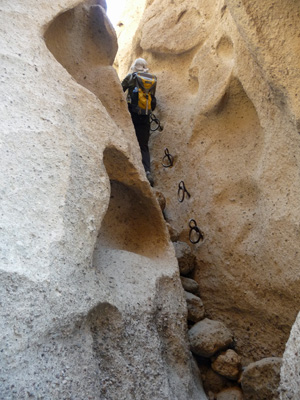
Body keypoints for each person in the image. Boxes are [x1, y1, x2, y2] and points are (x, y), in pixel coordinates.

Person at [121, 58, 156, 186]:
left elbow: (118, 91)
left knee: (130, 141)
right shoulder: (152, 79)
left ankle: (132, 172)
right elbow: (152, 101)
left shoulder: (131, 77)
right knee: (144, 146)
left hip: (133, 115)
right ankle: (147, 171)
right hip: (146, 116)